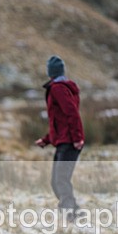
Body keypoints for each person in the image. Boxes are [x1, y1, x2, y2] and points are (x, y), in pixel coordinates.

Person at [35, 55, 85, 221]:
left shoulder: (57, 89)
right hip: (65, 140)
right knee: (57, 182)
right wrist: (47, 139)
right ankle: (74, 211)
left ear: (50, 72)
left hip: (69, 142)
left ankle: (70, 214)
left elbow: (72, 113)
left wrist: (77, 138)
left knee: (60, 180)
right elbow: (60, 120)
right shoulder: (61, 87)